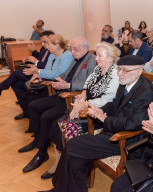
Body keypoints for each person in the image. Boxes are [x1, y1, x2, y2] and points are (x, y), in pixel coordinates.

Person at [40, 55, 153, 192]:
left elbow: (133, 124)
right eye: (119, 69)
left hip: (125, 140)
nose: (120, 73)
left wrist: (104, 119)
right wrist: (99, 110)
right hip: (111, 131)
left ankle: (58, 189)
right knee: (76, 162)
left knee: (72, 144)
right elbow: (114, 104)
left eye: (125, 71)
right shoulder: (126, 82)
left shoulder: (146, 92)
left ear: (138, 71)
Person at [18, 37, 98, 175]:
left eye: (75, 49)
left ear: (85, 48)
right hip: (62, 92)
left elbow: (89, 85)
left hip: (72, 98)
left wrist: (68, 85)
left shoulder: (91, 60)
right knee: (34, 106)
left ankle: (42, 152)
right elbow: (63, 75)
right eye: (71, 48)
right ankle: (38, 141)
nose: (72, 52)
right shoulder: (75, 58)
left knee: (46, 117)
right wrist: (54, 80)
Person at [15, 34, 74, 120]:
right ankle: (30, 117)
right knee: (26, 96)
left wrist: (38, 71)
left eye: (48, 44)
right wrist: (38, 75)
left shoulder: (67, 56)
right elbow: (47, 69)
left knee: (32, 99)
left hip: (56, 86)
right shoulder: (52, 54)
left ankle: (35, 122)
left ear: (56, 45)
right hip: (49, 82)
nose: (46, 46)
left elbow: (56, 74)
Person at [0, 31, 53, 99]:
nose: (42, 44)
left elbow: (47, 67)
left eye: (44, 42)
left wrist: (35, 59)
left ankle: (1, 87)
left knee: (16, 73)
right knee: (15, 83)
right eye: (41, 42)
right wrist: (29, 58)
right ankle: (25, 102)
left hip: (41, 76)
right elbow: (39, 58)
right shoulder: (44, 48)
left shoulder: (53, 51)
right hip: (36, 71)